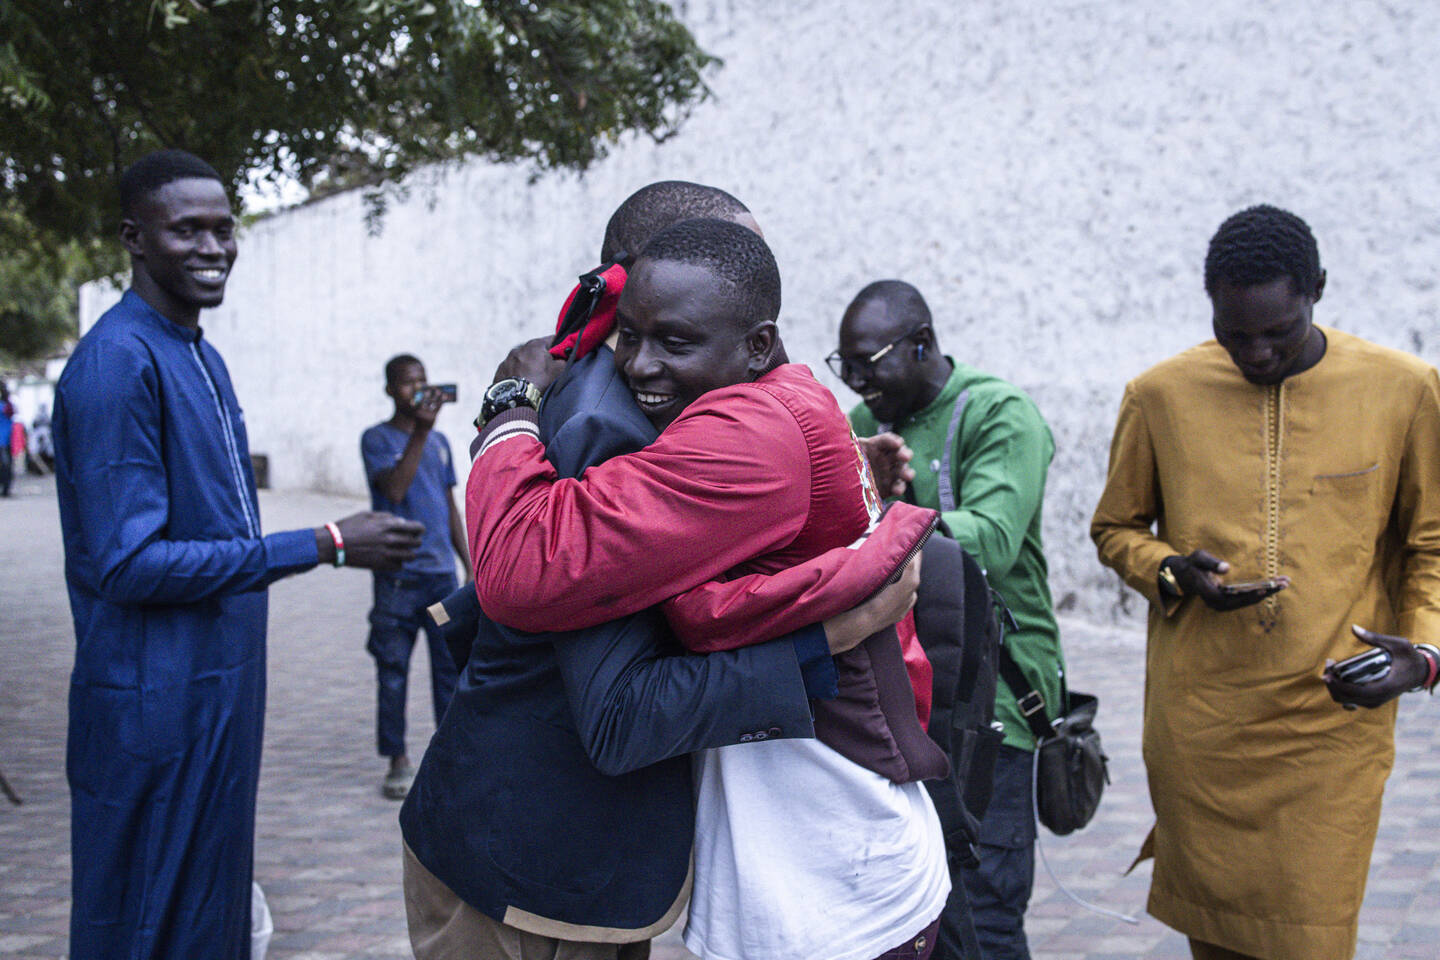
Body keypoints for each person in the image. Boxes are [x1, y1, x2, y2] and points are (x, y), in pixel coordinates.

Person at [401, 182, 929, 959]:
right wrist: (828, 638)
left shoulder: (670, 404)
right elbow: (618, 711)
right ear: (632, 282)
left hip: (562, 859)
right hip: (533, 873)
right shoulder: (610, 425)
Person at [52, 148, 423, 960]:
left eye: (224, 229)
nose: (214, 247)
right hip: (151, 706)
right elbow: (127, 564)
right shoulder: (117, 362)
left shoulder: (200, 355)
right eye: (188, 230)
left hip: (219, 695)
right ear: (134, 239)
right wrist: (322, 542)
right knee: (142, 923)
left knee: (208, 921)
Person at [1090, 204, 1440, 960]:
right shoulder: (1160, 395)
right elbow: (1115, 529)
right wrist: (1172, 571)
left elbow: (1431, 545)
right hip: (1203, 725)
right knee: (1215, 941)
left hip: (1331, 724)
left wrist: (1423, 655)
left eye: (1277, 332)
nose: (1255, 352)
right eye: (1233, 332)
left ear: (1317, 289)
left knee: (1314, 937)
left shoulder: (1404, 389)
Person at [835, 280, 1066, 960]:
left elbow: (992, 537)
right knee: (923, 912)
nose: (856, 383)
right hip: (905, 700)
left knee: (987, 904)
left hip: (997, 698)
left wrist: (881, 526)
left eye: (868, 363)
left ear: (923, 345)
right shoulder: (861, 420)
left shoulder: (1001, 414)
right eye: (844, 366)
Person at [361, 354, 469, 799]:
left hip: (441, 578)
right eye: (408, 383)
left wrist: (470, 563)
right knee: (393, 671)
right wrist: (421, 431)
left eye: (423, 381)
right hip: (398, 581)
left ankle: (446, 757)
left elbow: (448, 507)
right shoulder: (377, 439)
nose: (418, 389)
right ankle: (398, 759)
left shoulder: (441, 441)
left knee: (450, 672)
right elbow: (395, 489)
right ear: (390, 390)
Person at [0, 382, 12, 496]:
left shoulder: (6, 406)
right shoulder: (7, 406)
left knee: (5, 465)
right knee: (6, 465)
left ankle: (5, 489)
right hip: (5, 440)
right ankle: (5, 489)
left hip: (4, 440)